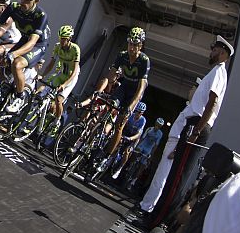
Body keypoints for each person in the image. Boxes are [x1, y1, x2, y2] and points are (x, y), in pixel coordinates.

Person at [134, 35, 233, 229]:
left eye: (214, 49)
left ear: (222, 53)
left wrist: (196, 130)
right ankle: (155, 217)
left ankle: (156, 221)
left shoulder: (219, 72)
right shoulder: (216, 72)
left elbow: (211, 103)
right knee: (174, 177)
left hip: (198, 124)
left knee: (176, 178)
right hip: (195, 124)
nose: (211, 52)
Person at [81, 27, 150, 159]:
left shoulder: (144, 60)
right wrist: (100, 92)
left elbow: (141, 87)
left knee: (120, 124)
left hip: (135, 92)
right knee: (110, 105)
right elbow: (110, 76)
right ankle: (98, 132)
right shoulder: (122, 55)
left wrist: (130, 107)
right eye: (130, 43)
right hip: (124, 87)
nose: (131, 48)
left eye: (135, 45)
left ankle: (106, 155)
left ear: (140, 45)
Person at [39, 25, 81, 131]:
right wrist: (42, 75)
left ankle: (57, 120)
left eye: (64, 39)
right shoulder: (57, 46)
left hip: (71, 78)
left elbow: (75, 70)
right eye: (60, 38)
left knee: (58, 99)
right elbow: (51, 64)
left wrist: (65, 85)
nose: (61, 41)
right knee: (45, 92)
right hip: (61, 74)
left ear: (69, 39)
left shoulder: (75, 49)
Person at [121, 117, 165, 184]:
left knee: (142, 165)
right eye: (157, 124)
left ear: (160, 127)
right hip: (143, 144)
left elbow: (156, 145)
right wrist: (136, 147)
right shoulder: (149, 129)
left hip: (149, 148)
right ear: (155, 123)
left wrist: (151, 154)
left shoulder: (160, 134)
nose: (157, 127)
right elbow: (142, 138)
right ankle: (129, 165)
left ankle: (133, 180)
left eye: (159, 126)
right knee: (136, 153)